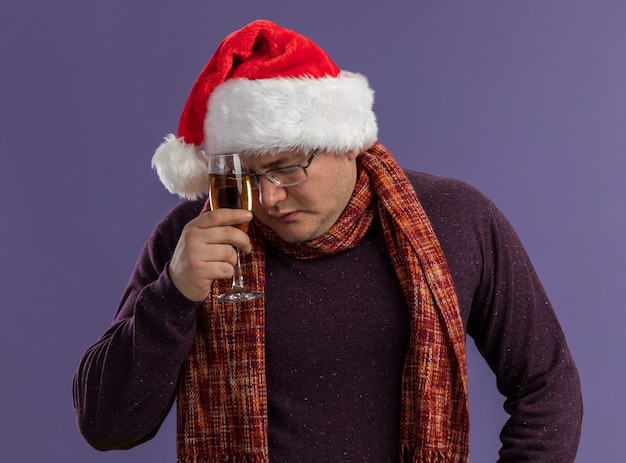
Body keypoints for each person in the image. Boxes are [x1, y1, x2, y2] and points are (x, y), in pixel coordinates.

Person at [73, 19, 582, 462]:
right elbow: (108, 428)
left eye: (287, 167)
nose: (269, 197)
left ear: (346, 142)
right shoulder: (194, 238)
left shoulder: (456, 219)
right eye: (248, 176)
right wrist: (174, 294)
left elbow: (547, 384)